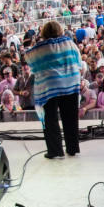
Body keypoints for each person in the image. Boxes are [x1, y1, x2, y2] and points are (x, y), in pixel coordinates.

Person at [25, 21, 82, 159]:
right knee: (71, 118)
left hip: (50, 86)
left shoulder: (40, 48)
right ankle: (72, 148)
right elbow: (79, 62)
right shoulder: (70, 43)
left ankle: (55, 151)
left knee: (50, 119)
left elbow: (28, 58)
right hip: (70, 83)